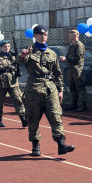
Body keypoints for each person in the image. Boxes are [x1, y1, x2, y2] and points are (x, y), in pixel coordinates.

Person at [17, 25, 75, 157]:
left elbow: (58, 73)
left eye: (45, 35)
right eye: (40, 35)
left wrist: (60, 90)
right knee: (33, 118)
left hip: (50, 89)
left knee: (56, 116)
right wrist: (22, 55)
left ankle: (61, 144)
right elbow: (20, 61)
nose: (43, 37)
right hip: (34, 90)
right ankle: (35, 145)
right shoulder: (29, 51)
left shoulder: (52, 53)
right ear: (35, 36)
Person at [0, 39, 27, 127]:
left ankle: (23, 119)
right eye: (5, 46)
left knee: (18, 99)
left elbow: (22, 61)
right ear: (1, 47)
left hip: (13, 82)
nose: (7, 48)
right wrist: (5, 66)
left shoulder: (14, 56)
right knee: (0, 102)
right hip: (1, 83)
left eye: (8, 46)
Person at [59, 29, 87, 111]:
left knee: (80, 87)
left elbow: (77, 58)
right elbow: (69, 55)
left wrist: (65, 59)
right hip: (71, 69)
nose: (69, 36)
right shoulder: (71, 45)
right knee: (72, 87)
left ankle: (83, 105)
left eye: (70, 34)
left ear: (75, 35)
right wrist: (65, 58)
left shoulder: (79, 45)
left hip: (77, 69)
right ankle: (74, 104)